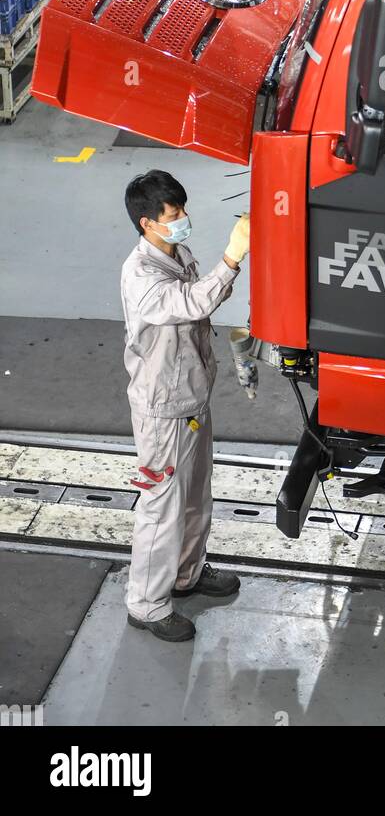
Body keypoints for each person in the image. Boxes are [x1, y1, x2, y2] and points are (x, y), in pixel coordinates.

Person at [121, 170, 251, 642]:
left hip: (193, 396)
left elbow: (203, 303)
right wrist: (233, 256)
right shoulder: (141, 275)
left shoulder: (178, 254)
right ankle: (147, 604)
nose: (183, 220)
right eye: (173, 216)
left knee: (196, 495)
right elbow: (194, 302)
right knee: (161, 507)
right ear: (146, 223)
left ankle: (186, 574)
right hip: (163, 408)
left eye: (183, 211)